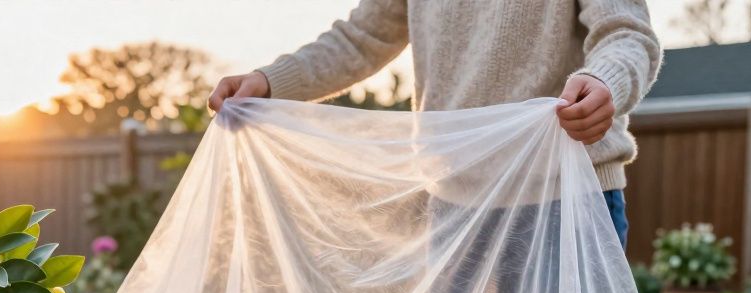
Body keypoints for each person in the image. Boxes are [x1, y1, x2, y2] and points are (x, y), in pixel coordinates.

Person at [208, 0, 662, 249]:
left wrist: (606, 80)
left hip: (567, 196)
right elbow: (362, 38)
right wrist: (271, 82)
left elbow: (626, 32)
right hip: (456, 201)